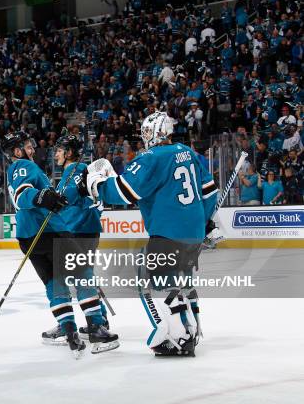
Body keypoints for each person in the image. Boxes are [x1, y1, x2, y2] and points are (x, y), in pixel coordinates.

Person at [81, 112, 218, 357]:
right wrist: (205, 221)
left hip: (167, 234)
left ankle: (179, 336)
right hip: (193, 233)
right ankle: (192, 326)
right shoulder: (187, 152)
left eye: (146, 131)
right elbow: (209, 191)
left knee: (151, 281)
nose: (144, 137)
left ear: (157, 132)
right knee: (181, 279)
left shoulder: (151, 157)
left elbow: (124, 193)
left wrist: (96, 184)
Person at [3, 131, 87, 358]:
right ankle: (97, 324)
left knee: (53, 282)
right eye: (27, 146)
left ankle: (69, 329)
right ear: (18, 151)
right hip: (48, 231)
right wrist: (42, 198)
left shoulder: (17, 169)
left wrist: (48, 196)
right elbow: (23, 196)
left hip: (28, 236)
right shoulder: (23, 165)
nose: (32, 149)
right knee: (83, 272)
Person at [40, 134, 118, 353]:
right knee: (80, 276)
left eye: (59, 150)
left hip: (79, 230)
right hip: (80, 230)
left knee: (78, 277)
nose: (55, 154)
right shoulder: (74, 171)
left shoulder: (76, 170)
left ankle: (92, 325)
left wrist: (50, 201)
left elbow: (67, 198)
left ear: (69, 153)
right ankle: (96, 320)